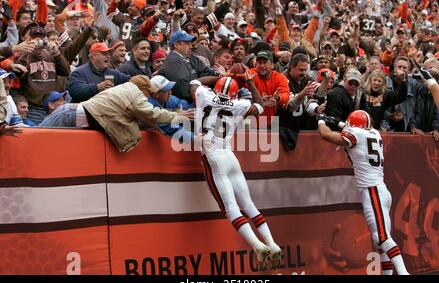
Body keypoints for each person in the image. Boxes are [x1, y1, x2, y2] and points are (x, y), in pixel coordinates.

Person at [191, 70, 282, 271]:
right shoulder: (239, 104)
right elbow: (258, 106)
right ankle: (272, 243)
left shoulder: (204, 95)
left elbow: (194, 81)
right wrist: (249, 82)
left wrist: (220, 76)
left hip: (212, 156)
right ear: (235, 94)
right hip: (229, 156)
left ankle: (257, 246)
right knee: (248, 204)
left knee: (230, 208)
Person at [317, 110, 409, 275]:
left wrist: (321, 121)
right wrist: (338, 121)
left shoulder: (355, 134)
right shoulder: (374, 132)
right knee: (380, 241)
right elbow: (353, 128)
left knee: (382, 238)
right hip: (381, 191)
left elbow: (326, 136)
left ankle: (404, 273)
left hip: (372, 191)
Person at [40, 75, 193, 153]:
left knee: (37, 137)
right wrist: (179, 116)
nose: (148, 97)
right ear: (142, 89)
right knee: (33, 138)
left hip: (70, 113)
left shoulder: (126, 89)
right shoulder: (134, 93)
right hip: (69, 114)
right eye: (148, 93)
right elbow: (153, 115)